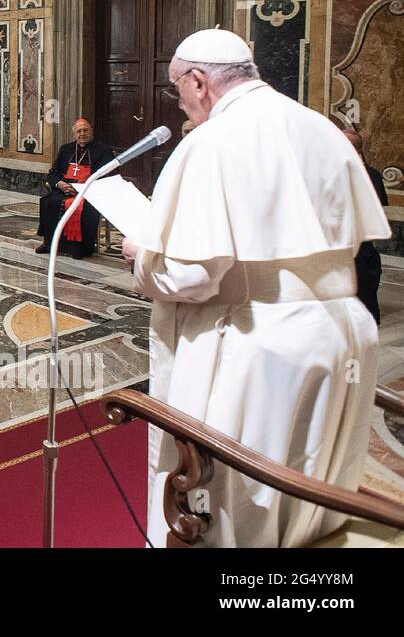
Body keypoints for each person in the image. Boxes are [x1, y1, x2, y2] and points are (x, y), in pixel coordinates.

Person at [122, 28, 390, 548]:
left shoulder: (213, 141)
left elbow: (191, 277)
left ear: (199, 81)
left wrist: (141, 255)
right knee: (312, 488)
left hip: (257, 341)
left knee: (237, 502)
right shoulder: (318, 127)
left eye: (177, 86)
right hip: (342, 331)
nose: (179, 98)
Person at [35, 118, 114, 258]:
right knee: (48, 201)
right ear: (74, 134)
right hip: (65, 189)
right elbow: (53, 172)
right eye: (79, 131)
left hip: (89, 193)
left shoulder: (104, 150)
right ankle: (50, 243)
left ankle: (79, 248)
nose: (82, 134)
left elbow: (108, 176)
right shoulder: (66, 149)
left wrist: (82, 188)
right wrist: (60, 184)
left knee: (82, 208)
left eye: (86, 130)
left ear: (92, 132)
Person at [344, 129, 389, 324]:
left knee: (363, 294)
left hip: (357, 245)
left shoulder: (368, 175)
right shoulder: (371, 174)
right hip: (356, 245)